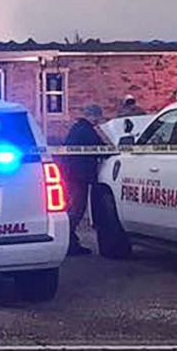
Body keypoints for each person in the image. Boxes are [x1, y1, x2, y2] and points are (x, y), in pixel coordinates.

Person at [62, 104, 106, 256]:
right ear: (93, 116)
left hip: (71, 174)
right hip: (79, 176)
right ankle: (69, 244)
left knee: (73, 209)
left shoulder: (77, 128)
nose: (98, 121)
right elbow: (104, 149)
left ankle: (71, 242)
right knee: (76, 210)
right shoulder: (87, 131)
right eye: (98, 117)